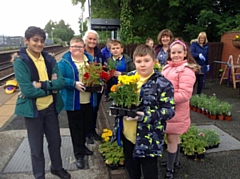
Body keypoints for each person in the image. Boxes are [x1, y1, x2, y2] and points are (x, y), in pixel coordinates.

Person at [13, 26, 71, 179]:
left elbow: (61, 82)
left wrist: (43, 85)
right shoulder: (20, 62)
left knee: (55, 141)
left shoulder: (49, 59)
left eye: (41, 41)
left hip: (50, 108)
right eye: (35, 40)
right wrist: (51, 89)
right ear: (26, 40)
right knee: (36, 147)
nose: (39, 44)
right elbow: (28, 91)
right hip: (33, 111)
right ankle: (39, 175)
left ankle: (56, 168)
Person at [111, 44, 175, 179]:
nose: (143, 65)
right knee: (132, 171)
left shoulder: (163, 83)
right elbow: (118, 99)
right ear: (134, 62)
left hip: (148, 139)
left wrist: (145, 116)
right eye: (139, 61)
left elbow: (169, 111)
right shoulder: (128, 77)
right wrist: (116, 108)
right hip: (127, 135)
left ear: (154, 61)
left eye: (147, 60)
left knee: (149, 172)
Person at [161, 40, 200, 179]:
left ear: (185, 54)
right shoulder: (167, 68)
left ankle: (170, 169)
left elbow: (185, 94)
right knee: (173, 137)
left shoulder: (186, 70)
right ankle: (175, 161)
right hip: (168, 110)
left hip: (176, 111)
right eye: (173, 52)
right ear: (169, 54)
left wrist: (164, 99)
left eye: (179, 52)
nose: (176, 55)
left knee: (171, 137)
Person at [58, 37, 96, 170]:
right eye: (74, 46)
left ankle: (83, 146)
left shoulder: (90, 60)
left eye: (80, 46)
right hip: (73, 102)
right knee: (76, 129)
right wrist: (73, 84)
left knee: (86, 126)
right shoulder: (63, 63)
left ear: (84, 47)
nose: (77, 49)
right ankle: (78, 154)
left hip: (88, 99)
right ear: (70, 48)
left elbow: (96, 74)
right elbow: (60, 79)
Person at [83, 30, 104, 144]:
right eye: (90, 39)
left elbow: (104, 67)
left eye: (94, 39)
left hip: (97, 86)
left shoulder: (99, 53)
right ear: (85, 40)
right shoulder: (81, 52)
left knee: (95, 109)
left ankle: (92, 130)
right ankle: (86, 133)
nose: (92, 41)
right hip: (85, 86)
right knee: (86, 110)